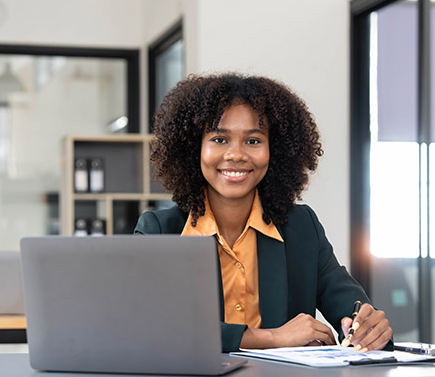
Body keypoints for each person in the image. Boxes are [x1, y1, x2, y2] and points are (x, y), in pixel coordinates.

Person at [134, 73, 392, 353]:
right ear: (195, 148)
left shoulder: (302, 228)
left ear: (275, 150)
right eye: (219, 139)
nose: (236, 155)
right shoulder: (160, 231)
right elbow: (150, 326)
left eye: (253, 141)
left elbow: (352, 308)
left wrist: (370, 328)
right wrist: (271, 338)